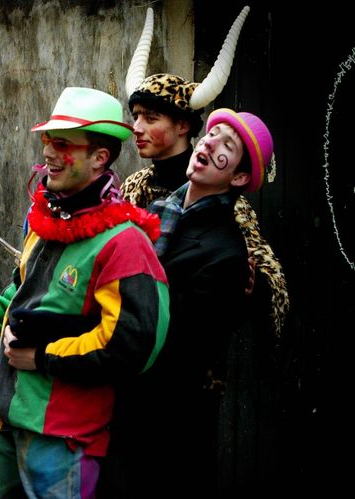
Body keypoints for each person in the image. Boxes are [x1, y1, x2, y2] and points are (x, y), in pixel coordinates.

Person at [0, 86, 169, 498]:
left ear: (99, 158)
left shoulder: (124, 244)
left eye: (63, 144)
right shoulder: (43, 223)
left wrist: (42, 356)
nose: (49, 153)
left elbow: (133, 344)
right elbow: (19, 295)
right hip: (7, 424)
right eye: (47, 141)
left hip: (63, 440)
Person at [103, 108, 276, 497]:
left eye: (226, 145)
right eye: (213, 134)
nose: (211, 142)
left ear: (239, 176)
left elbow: (178, 349)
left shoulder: (226, 253)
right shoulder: (153, 214)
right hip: (123, 413)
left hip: (167, 426)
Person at [121, 6, 289, 335]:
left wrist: (254, 283)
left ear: (183, 126)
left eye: (151, 118)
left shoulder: (226, 202)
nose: (136, 128)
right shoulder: (135, 186)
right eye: (136, 116)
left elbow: (272, 284)